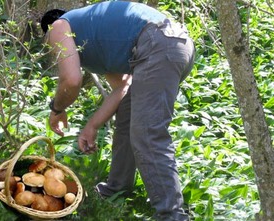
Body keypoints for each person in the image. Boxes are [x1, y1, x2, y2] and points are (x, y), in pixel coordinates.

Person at [41, 1, 195, 220]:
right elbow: (122, 88)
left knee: (148, 133)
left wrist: (56, 109)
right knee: (128, 118)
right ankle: (117, 188)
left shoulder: (57, 27)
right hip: (176, 43)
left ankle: (173, 215)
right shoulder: (95, 37)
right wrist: (92, 126)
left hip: (157, 44)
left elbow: (71, 80)